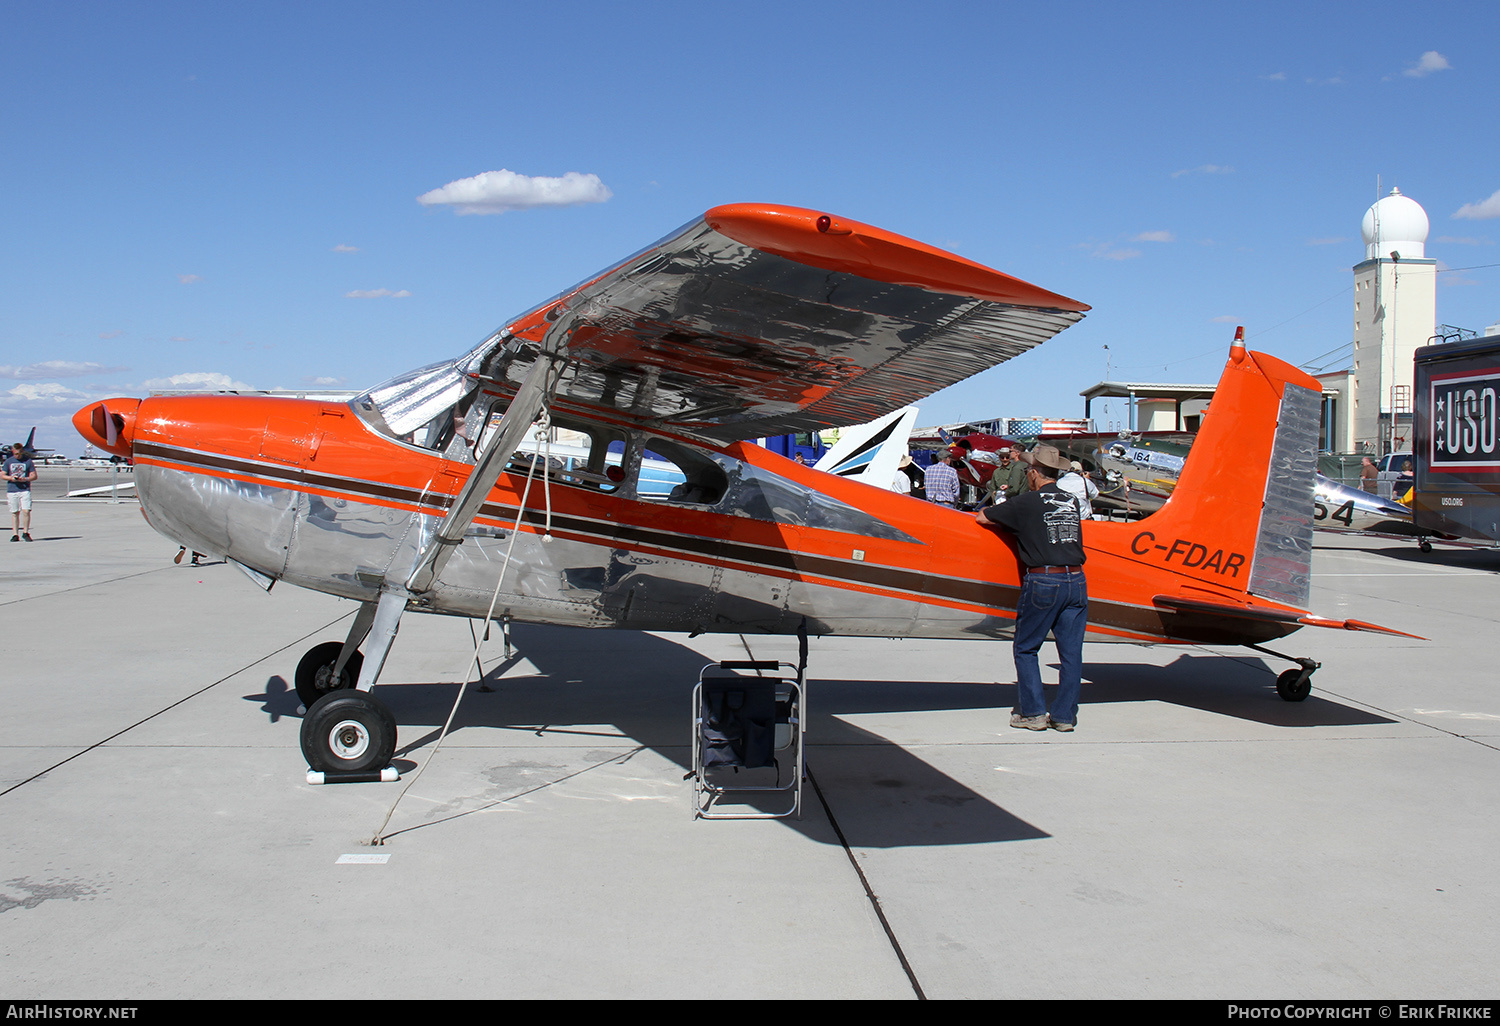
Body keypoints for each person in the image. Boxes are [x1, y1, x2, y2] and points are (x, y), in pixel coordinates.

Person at [976, 443, 1087, 732]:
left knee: (1026, 648)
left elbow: (983, 516)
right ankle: (1064, 717)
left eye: (1027, 470)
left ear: (1036, 473)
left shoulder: (1027, 502)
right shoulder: (1072, 501)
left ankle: (1033, 713)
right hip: (1076, 579)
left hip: (1044, 580)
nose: (1026, 474)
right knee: (1071, 654)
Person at [4, 441, 38, 542]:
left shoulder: (28, 462)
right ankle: (15, 534)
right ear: (13, 452)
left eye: (19, 453)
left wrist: (26, 479)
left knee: (26, 511)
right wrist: (11, 478)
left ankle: (25, 532)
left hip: (24, 489)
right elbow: (2, 475)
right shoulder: (8, 462)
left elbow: (34, 476)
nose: (18, 456)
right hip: (12, 490)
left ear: (22, 452)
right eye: (16, 454)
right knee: (15, 512)